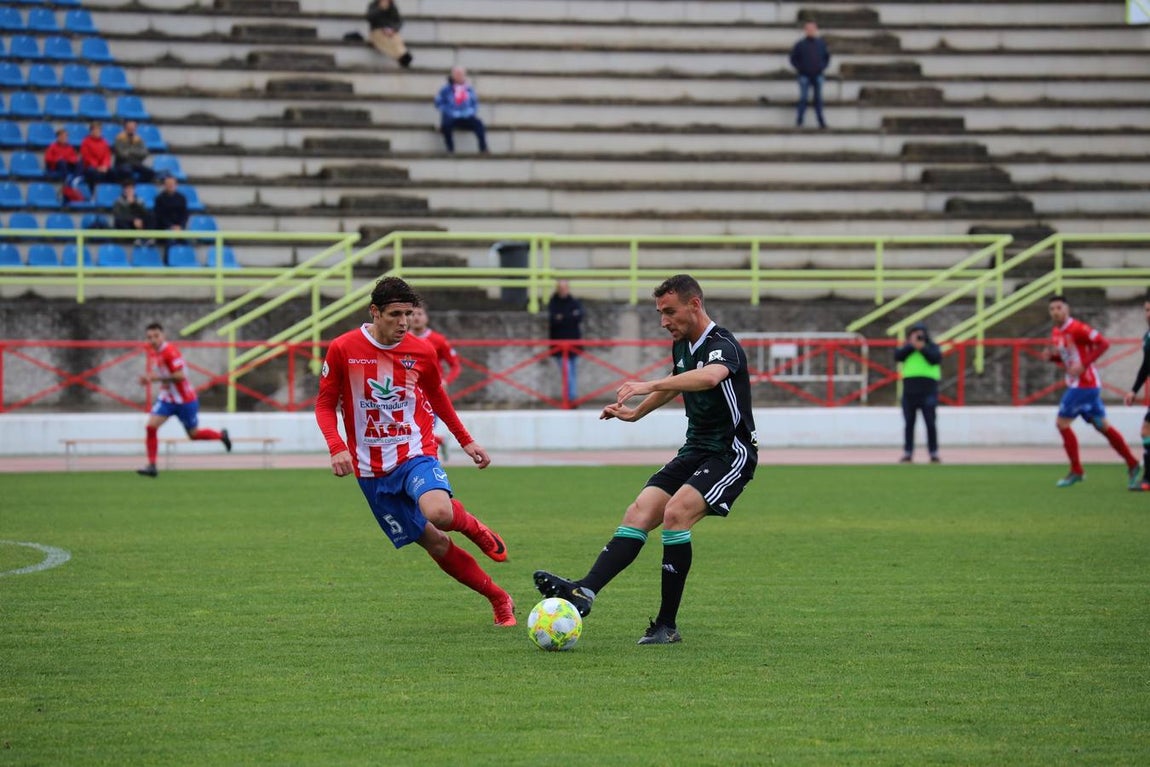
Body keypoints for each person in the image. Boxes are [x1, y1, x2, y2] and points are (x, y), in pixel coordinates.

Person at [533, 274, 758, 645]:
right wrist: (636, 413)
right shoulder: (682, 347)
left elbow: (709, 378)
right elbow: (678, 376)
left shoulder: (723, 344)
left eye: (669, 312)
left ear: (694, 305)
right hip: (695, 449)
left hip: (730, 452)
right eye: (660, 313)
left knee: (675, 514)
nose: (664, 321)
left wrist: (646, 384)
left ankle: (666, 625)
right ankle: (584, 591)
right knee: (639, 512)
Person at [314, 276, 516, 626]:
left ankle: (471, 526)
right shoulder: (344, 349)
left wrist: (466, 440)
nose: (404, 322)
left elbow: (439, 398)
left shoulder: (422, 350)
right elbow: (324, 404)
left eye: (409, 313)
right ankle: (499, 598)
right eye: (396, 314)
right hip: (371, 471)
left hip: (414, 452)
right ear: (374, 312)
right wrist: (337, 447)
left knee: (438, 513)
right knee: (435, 544)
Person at [1047, 295, 1139, 488]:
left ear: (1067, 309)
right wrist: (1053, 358)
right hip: (1077, 384)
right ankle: (1133, 463)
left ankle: (1077, 471)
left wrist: (1084, 364)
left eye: (1059, 307)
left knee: (1062, 423)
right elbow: (1067, 358)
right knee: (1102, 426)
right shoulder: (1057, 332)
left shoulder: (1078, 328)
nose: (1056, 311)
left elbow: (1104, 343)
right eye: (1052, 309)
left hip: (1085, 385)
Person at [137, 322, 231, 477]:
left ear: (163, 336)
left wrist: (155, 379)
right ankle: (152, 466)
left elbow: (180, 375)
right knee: (150, 427)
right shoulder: (155, 352)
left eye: (156, 336)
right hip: (167, 399)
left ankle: (221, 436)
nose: (152, 340)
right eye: (149, 337)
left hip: (185, 401)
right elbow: (160, 373)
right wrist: (149, 378)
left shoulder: (170, 351)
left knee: (193, 435)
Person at [409, 303, 462, 458]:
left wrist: (445, 381)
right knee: (411, 429)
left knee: (424, 428)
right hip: (409, 392)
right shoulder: (401, 339)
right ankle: (439, 442)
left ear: (426, 317)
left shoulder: (437, 340)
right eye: (413, 314)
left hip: (430, 393)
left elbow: (455, 365)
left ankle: (428, 461)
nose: (416, 317)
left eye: (420, 314)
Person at [895, 322, 942, 463]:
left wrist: (922, 348)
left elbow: (935, 359)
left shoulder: (932, 347)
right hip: (910, 391)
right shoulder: (907, 348)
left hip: (928, 390)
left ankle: (933, 452)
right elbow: (898, 356)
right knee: (909, 423)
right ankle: (908, 452)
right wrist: (911, 345)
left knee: (930, 423)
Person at [1122, 297, 1150, 491]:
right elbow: (1146, 366)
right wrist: (1134, 390)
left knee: (1146, 430)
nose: (1148, 314)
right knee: (1146, 431)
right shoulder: (1147, 336)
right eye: (1146, 310)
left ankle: (1148, 479)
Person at [434, 66, 489, 154]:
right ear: (452, 76)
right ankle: (450, 149)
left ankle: (483, 148)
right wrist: (447, 111)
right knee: (446, 125)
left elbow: (475, 104)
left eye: (461, 74)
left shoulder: (469, 89)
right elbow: (438, 102)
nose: (459, 76)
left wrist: (470, 112)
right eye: (456, 74)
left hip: (466, 116)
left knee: (479, 124)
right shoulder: (446, 89)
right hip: (451, 115)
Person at [548, 279, 584, 405]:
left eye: (565, 288)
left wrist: (563, 318)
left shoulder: (574, 302)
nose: (563, 290)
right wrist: (570, 317)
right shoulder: (553, 303)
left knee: (572, 372)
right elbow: (554, 320)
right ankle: (571, 399)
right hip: (559, 346)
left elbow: (579, 316)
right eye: (561, 288)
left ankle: (571, 398)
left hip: (574, 345)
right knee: (567, 373)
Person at [789, 21, 830, 129]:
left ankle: (821, 122)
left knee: (818, 100)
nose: (811, 31)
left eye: (812, 29)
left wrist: (822, 67)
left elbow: (827, 57)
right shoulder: (800, 44)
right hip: (804, 75)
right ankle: (799, 121)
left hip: (818, 75)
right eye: (808, 29)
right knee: (803, 99)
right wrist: (800, 68)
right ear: (805, 30)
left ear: (816, 30)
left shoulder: (821, 44)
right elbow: (793, 59)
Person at [365, 0, 412, 68]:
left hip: (390, 31)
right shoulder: (374, 5)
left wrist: (392, 29)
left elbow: (398, 21)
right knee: (384, 40)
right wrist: (380, 8)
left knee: (396, 39)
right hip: (377, 31)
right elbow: (370, 18)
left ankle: (403, 54)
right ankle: (401, 56)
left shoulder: (392, 6)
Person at [79, 121, 114, 192]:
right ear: (91, 131)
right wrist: (97, 167)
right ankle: (94, 193)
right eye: (96, 129)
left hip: (102, 167)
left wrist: (105, 166)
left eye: (99, 130)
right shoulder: (86, 142)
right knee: (92, 172)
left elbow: (107, 156)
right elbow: (87, 157)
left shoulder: (104, 142)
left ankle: (109, 192)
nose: (98, 131)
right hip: (90, 167)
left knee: (113, 172)